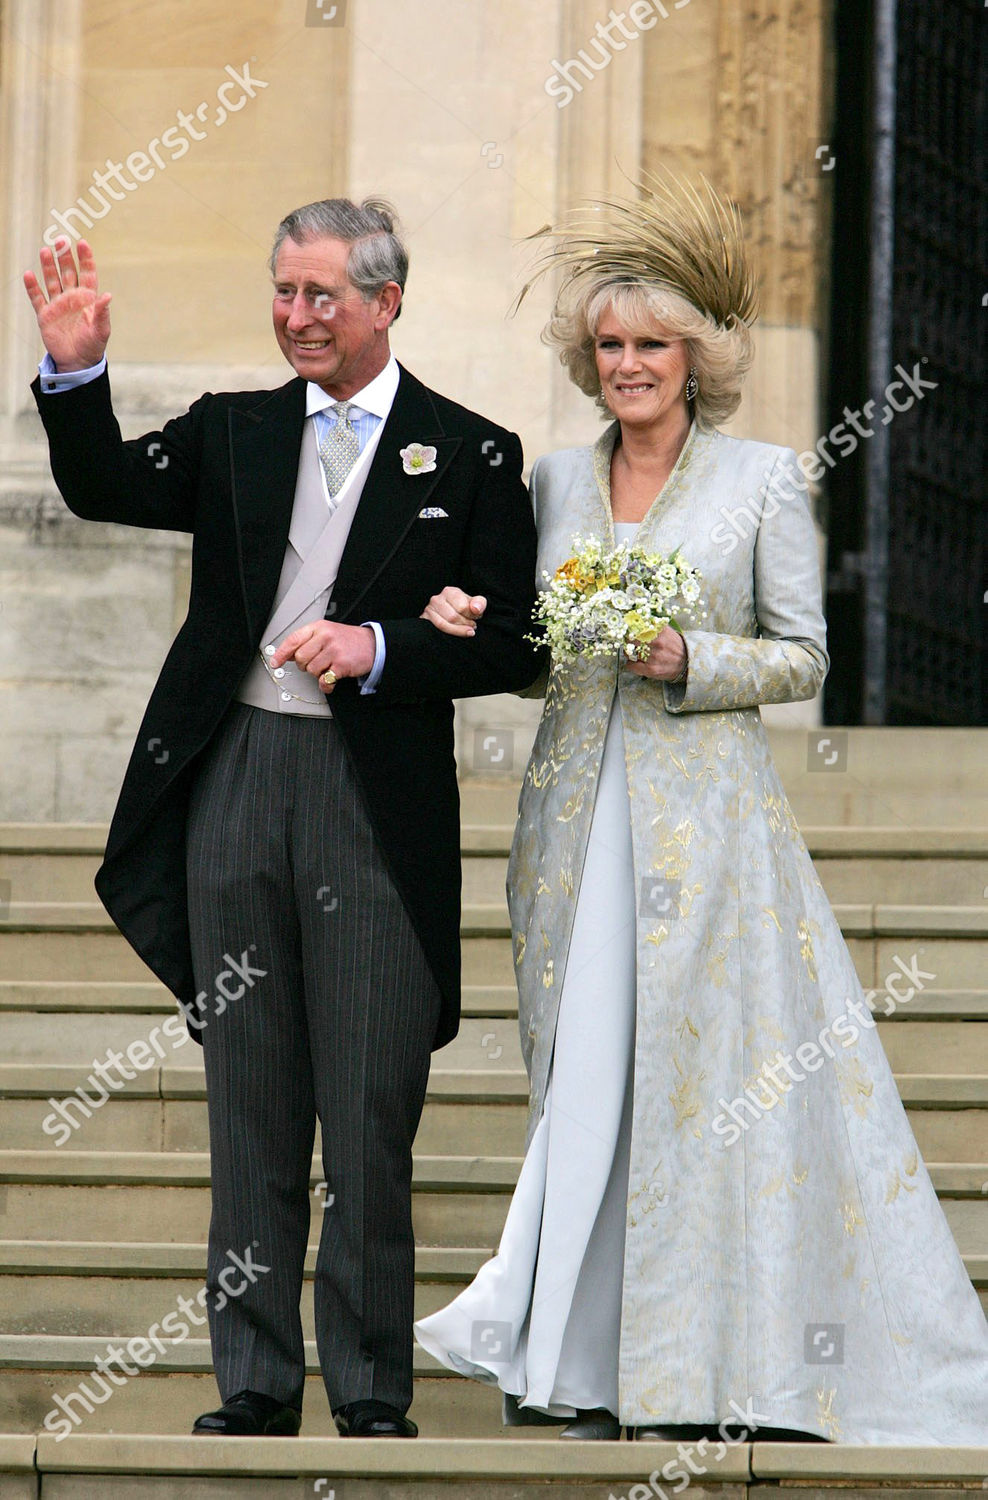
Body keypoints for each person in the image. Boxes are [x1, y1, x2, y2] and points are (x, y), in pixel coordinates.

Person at [413, 176, 988, 1444]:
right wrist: (461, 620)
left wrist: (692, 659)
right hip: (570, 831)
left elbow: (803, 656)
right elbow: (524, 634)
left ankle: (700, 1366)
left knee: (692, 1089)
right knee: (589, 1087)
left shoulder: (766, 482)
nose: (628, 366)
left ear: (697, 359)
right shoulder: (551, 482)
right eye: (609, 346)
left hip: (708, 837)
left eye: (651, 347)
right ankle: (573, 1363)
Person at [24, 198, 542, 1439]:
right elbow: (101, 488)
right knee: (249, 1095)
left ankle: (367, 1389)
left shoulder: (469, 453)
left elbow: (519, 643)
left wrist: (383, 646)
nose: (297, 318)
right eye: (283, 293)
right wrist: (76, 368)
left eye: (322, 297)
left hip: (370, 800)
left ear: (384, 303)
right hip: (236, 776)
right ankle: (253, 1382)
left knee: (366, 1111)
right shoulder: (235, 432)